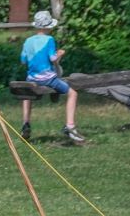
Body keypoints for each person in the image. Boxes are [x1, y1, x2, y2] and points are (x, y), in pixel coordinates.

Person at [17, 9, 85, 145]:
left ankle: (26, 123)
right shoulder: (49, 40)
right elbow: (53, 59)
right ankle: (70, 126)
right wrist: (60, 54)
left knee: (27, 95)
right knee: (72, 93)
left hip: (32, 78)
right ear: (49, 27)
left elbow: (23, 60)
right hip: (48, 78)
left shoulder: (28, 41)